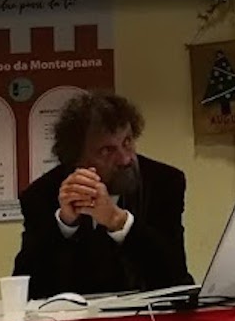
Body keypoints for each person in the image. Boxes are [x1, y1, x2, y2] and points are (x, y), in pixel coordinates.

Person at [13, 90, 191, 299]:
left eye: (127, 142)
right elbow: (26, 288)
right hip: (76, 316)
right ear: (77, 159)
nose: (125, 159)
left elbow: (175, 276)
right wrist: (65, 224)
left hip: (150, 313)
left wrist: (118, 221)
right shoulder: (41, 194)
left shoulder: (164, 181)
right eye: (107, 150)